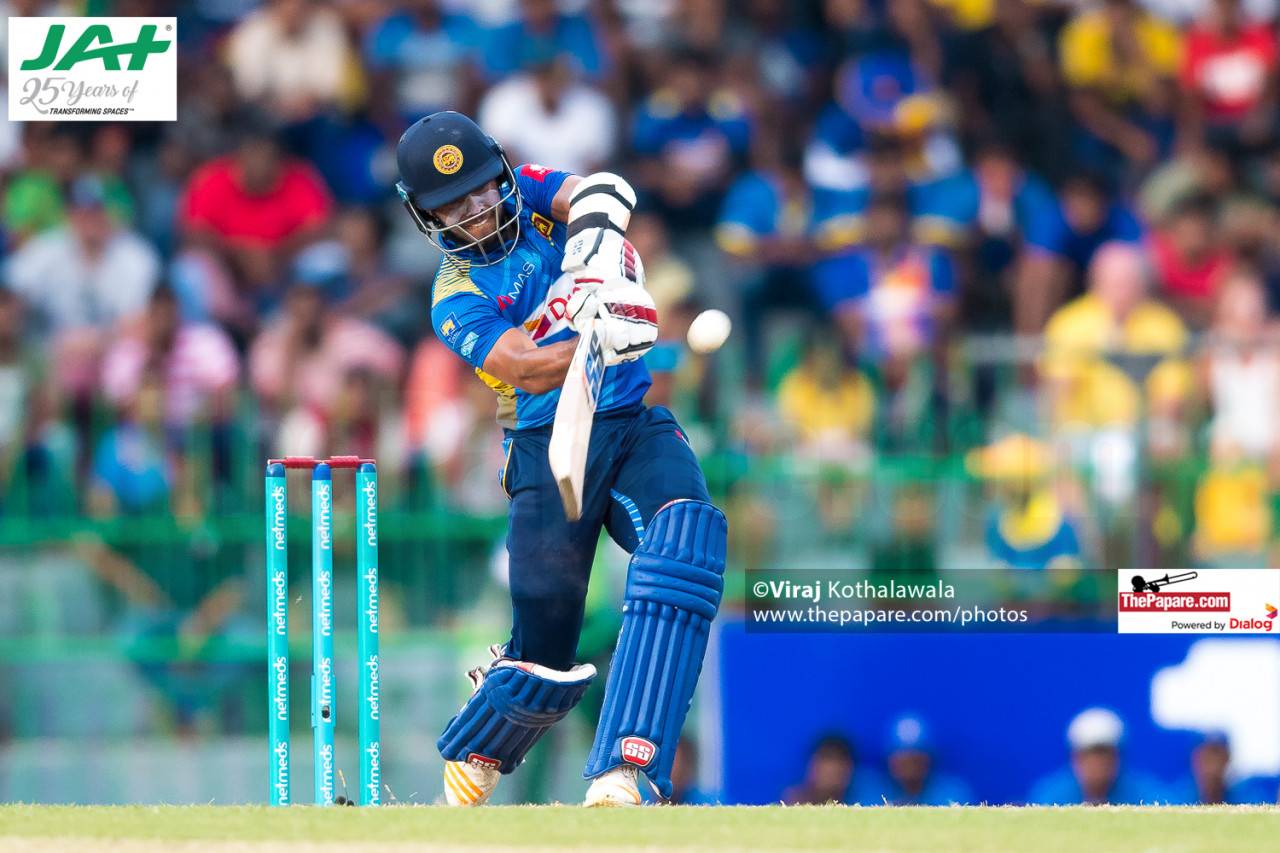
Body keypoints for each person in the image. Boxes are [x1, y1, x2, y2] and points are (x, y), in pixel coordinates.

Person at [394, 112, 725, 807]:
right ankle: (486, 732)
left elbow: (603, 190)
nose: (475, 209)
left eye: (481, 188)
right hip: (547, 449)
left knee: (685, 539)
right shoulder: (454, 295)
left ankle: (625, 767)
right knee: (546, 645)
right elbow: (524, 366)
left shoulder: (534, 192)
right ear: (426, 215)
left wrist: (597, 256)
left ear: (501, 173)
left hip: (629, 423)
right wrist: (597, 336)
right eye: (451, 204)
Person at [1026, 707, 1168, 804]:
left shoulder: (1149, 797)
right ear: (1074, 759)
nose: (1097, 764)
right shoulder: (1049, 797)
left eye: (1104, 754)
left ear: (1117, 758)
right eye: (1087, 755)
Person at [882, 713, 975, 805]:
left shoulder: (953, 794)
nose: (909, 766)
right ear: (890, 761)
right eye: (903, 759)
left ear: (928, 759)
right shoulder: (877, 793)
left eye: (916, 759)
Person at [1167, 732, 1274, 804]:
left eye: (1218, 756)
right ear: (1195, 759)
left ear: (1228, 759)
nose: (1213, 765)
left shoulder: (1247, 800)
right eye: (1206, 757)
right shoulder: (1176, 799)